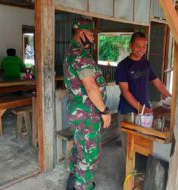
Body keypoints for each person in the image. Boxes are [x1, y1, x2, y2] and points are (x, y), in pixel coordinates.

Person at [63, 18, 111, 190]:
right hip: (87, 115)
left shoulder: (72, 52)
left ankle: (72, 184)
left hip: (79, 114)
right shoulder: (81, 56)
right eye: (90, 34)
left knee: (79, 150)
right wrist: (104, 111)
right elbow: (90, 87)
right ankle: (82, 186)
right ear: (81, 33)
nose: (93, 38)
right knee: (89, 157)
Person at [115, 31, 171, 116]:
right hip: (127, 111)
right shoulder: (123, 66)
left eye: (144, 47)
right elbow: (125, 92)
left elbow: (159, 84)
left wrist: (171, 99)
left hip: (145, 107)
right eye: (138, 46)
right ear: (131, 45)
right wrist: (141, 109)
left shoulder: (146, 64)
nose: (141, 49)